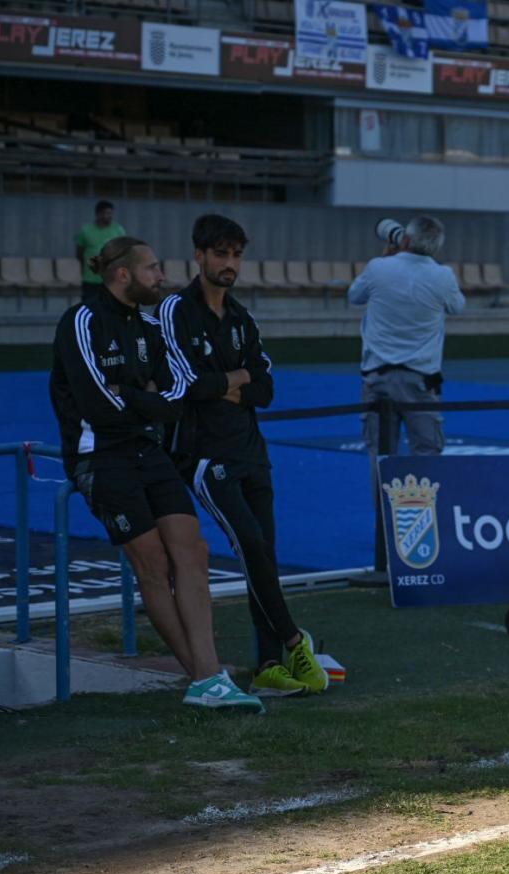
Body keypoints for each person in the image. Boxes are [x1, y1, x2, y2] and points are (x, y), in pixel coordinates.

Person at [49, 236, 261, 712]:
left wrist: (134, 394)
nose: (161, 277)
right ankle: (206, 678)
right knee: (152, 564)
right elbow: (97, 406)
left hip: (149, 451)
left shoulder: (149, 326)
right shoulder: (81, 322)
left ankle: (208, 677)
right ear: (123, 275)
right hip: (100, 458)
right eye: (152, 269)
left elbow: (178, 396)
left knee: (194, 550)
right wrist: (143, 399)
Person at [157, 215, 329, 698]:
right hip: (205, 456)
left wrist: (225, 382)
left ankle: (269, 663)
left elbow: (267, 389)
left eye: (235, 255)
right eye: (220, 254)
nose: (229, 264)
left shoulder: (242, 318)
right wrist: (237, 380)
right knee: (250, 544)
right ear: (199, 256)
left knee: (264, 554)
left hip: (252, 452)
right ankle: (294, 639)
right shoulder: (174, 311)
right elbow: (188, 385)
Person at [348, 215, 464, 458]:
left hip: (377, 377)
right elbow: (457, 307)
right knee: (427, 453)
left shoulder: (378, 267)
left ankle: (381, 497)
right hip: (421, 379)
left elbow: (354, 296)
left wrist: (387, 258)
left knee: (380, 455)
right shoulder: (443, 275)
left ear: (406, 239)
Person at [74, 200, 128, 305]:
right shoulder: (86, 230)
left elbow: (123, 251)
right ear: (98, 214)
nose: (110, 216)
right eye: (107, 213)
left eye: (111, 213)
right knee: (88, 305)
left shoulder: (118, 230)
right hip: (90, 278)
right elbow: (79, 253)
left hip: (111, 278)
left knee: (110, 306)